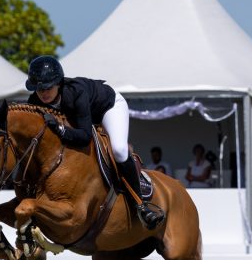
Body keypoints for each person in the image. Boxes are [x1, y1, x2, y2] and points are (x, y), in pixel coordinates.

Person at [25, 55, 164, 230]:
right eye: (39, 89)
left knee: (119, 150)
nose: (43, 93)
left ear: (59, 83)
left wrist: (60, 129)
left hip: (107, 107)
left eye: (48, 88)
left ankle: (141, 205)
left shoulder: (76, 92)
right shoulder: (34, 102)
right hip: (82, 118)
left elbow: (84, 135)